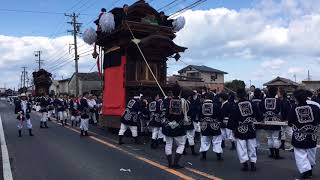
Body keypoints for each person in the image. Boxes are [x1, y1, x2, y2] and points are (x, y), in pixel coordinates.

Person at [288, 89, 320, 179]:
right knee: (311, 152)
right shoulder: (315, 107)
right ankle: (310, 168)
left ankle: (306, 172)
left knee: (300, 154)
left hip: (299, 136)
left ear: (296, 98)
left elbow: (290, 122)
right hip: (312, 135)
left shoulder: (294, 108)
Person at [230, 88, 262, 171]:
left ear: (237, 95)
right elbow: (259, 117)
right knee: (252, 146)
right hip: (251, 127)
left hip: (240, 129)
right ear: (245, 94)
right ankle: (253, 164)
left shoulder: (235, 106)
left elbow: (233, 119)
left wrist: (233, 129)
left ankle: (245, 164)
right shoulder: (252, 104)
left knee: (241, 147)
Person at [162, 87, 186, 169]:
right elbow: (185, 113)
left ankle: (170, 163)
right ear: (180, 93)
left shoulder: (167, 101)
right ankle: (175, 163)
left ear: (172, 92)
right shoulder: (183, 102)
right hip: (178, 126)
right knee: (181, 144)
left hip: (168, 125)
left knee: (168, 144)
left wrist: (166, 100)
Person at [260, 86, 284, 159]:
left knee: (269, 137)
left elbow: (260, 110)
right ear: (275, 92)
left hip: (266, 120)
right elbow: (281, 111)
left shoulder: (263, 100)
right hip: (275, 121)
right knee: (276, 138)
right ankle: (277, 155)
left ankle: (271, 153)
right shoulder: (278, 101)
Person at [199, 92, 223, 161]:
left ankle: (204, 156)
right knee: (217, 140)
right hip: (214, 125)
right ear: (213, 98)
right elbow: (220, 116)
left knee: (204, 140)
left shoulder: (201, 106)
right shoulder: (216, 105)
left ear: (206, 97)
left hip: (204, 126)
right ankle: (218, 156)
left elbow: (199, 116)